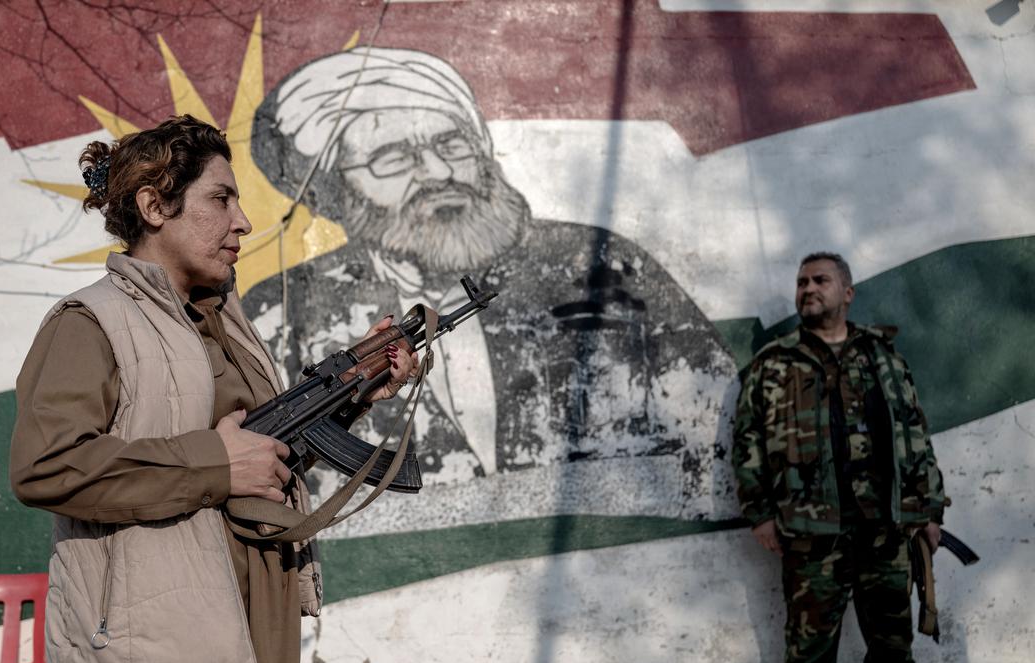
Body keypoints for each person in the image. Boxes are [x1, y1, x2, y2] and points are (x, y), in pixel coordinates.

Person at [9, 115, 414, 663]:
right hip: (156, 653)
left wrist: (352, 390)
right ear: (157, 206)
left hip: (253, 626)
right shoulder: (89, 324)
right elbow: (46, 464)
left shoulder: (224, 321)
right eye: (221, 199)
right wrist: (212, 465)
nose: (243, 221)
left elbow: (259, 456)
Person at [246, 48, 736, 523]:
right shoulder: (280, 308)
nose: (439, 172)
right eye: (392, 159)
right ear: (331, 190)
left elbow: (716, 415)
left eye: (452, 145)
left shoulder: (602, 264)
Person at [732, 251, 948, 663]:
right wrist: (760, 513)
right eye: (802, 282)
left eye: (820, 280)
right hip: (812, 534)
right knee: (808, 649)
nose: (808, 289)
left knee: (892, 643)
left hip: (885, 530)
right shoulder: (773, 363)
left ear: (847, 293)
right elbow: (747, 443)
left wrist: (928, 510)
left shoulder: (884, 358)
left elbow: (914, 436)